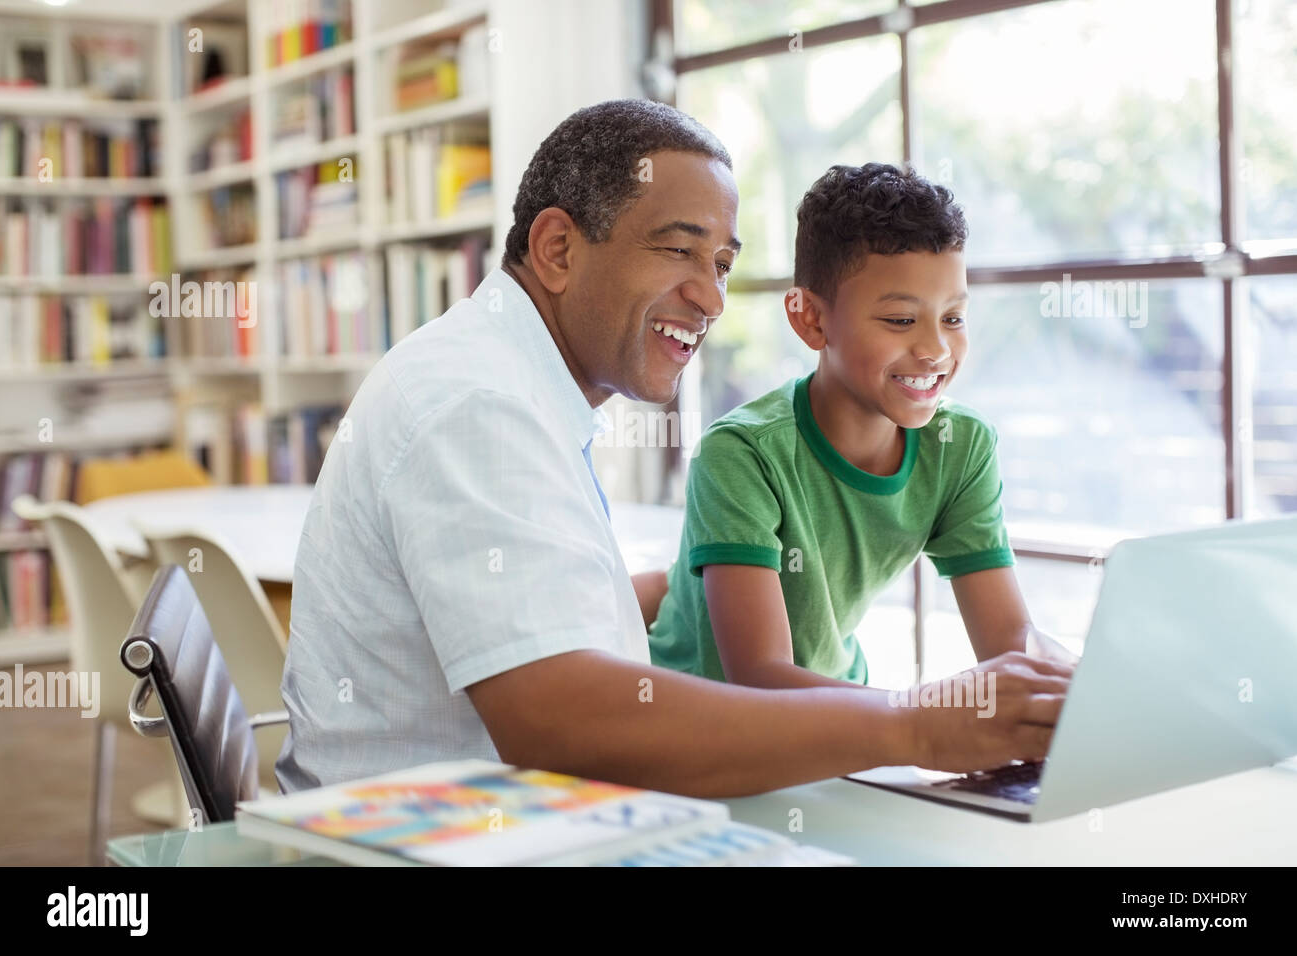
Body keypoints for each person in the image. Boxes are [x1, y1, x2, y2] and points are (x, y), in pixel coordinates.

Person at [276, 101, 1072, 799]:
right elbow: (559, 722)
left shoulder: (509, 384)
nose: (711, 296)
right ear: (557, 249)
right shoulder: (478, 404)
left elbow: (550, 611)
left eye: (722, 263)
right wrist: (917, 726)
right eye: (678, 250)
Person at [649, 162, 1078, 690]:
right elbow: (761, 681)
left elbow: (1012, 645)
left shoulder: (960, 446)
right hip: (710, 731)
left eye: (953, 318)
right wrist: (926, 719)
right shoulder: (742, 454)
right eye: (900, 320)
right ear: (811, 319)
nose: (935, 350)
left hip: (847, 703)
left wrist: (1076, 683)